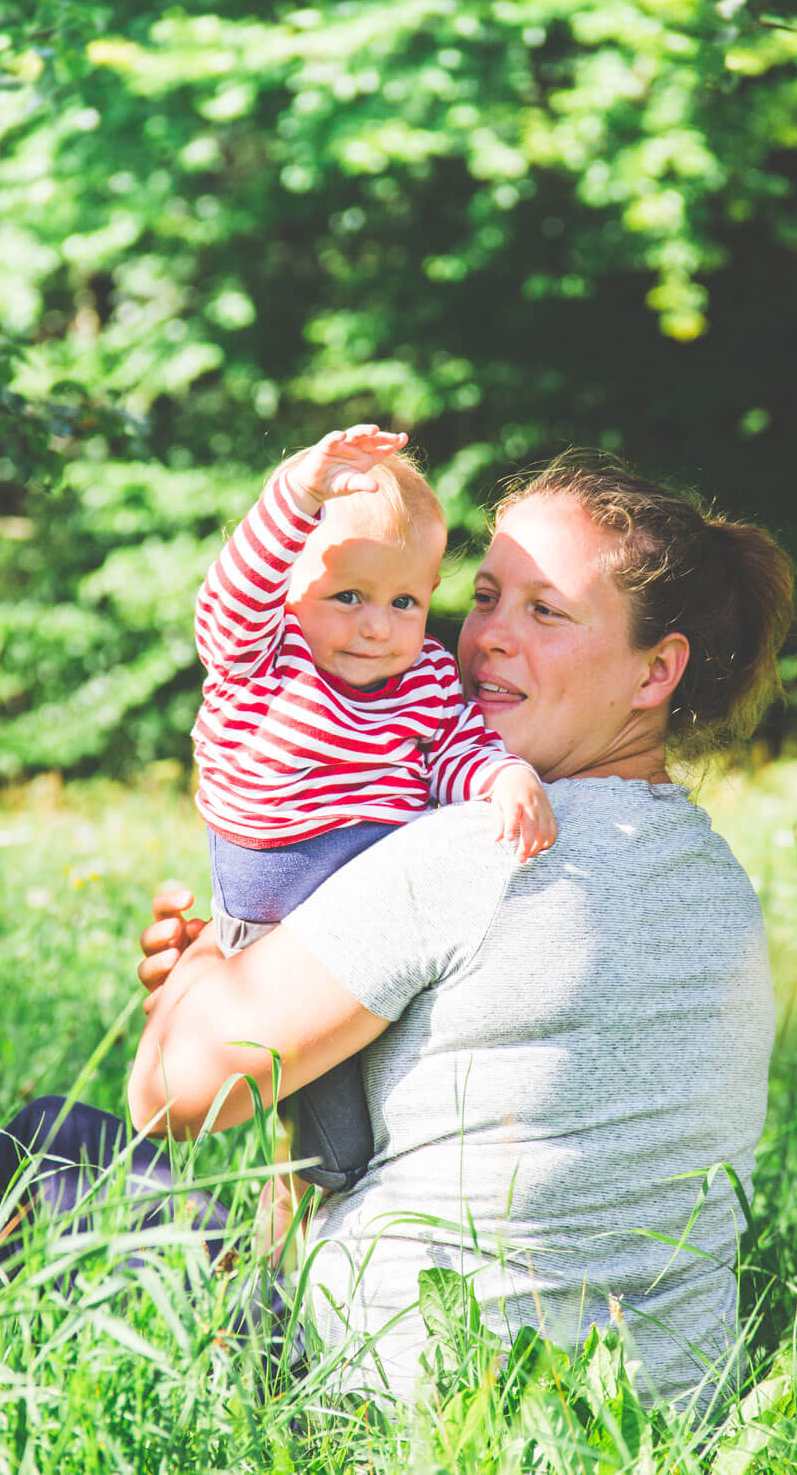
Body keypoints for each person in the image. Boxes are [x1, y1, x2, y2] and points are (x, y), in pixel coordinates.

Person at [0, 452, 794, 1416]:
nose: (486, 640)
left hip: (405, 1387)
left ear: (658, 670)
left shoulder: (479, 848)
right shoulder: (720, 884)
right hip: (653, 1406)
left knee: (48, 1146)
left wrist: (199, 973)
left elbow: (170, 1096)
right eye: (484, 596)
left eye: (546, 612)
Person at [191, 423, 554, 1190]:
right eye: (347, 595)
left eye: (404, 601)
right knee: (329, 1134)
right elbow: (231, 595)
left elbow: (455, 748)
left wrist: (501, 776)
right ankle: (318, 1200)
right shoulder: (264, 657)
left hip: (372, 910)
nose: (375, 625)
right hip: (273, 919)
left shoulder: (422, 675)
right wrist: (296, 495)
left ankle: (340, 1189)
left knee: (379, 1079)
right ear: (288, 589)